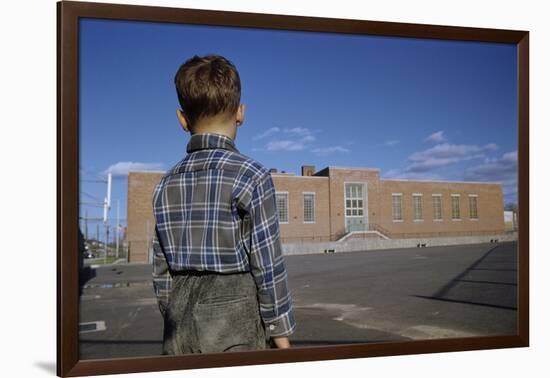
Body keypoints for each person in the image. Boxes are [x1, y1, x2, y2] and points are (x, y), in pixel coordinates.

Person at [151, 54, 296, 354]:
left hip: (178, 322)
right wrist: (280, 332)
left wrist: (173, 312)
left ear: (182, 119)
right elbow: (267, 264)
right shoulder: (252, 176)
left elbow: (160, 266)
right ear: (240, 113)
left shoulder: (165, 184)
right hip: (233, 318)